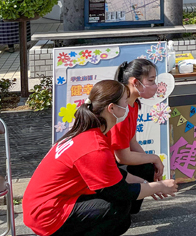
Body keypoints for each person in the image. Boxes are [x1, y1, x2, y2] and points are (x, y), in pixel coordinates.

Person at [23, 80, 178, 236]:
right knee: (118, 209)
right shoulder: (93, 145)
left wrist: (146, 184)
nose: (128, 105)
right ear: (111, 108)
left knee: (122, 215)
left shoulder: (90, 133)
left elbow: (113, 175)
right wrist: (160, 187)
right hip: (47, 214)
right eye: (125, 101)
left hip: (44, 206)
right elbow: (120, 192)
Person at [111, 58, 164, 213]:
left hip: (116, 159)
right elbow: (122, 157)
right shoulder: (121, 109)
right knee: (147, 163)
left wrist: (153, 162)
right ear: (135, 82)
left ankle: (129, 210)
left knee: (147, 166)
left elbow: (131, 141)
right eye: (151, 80)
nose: (155, 86)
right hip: (106, 163)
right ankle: (121, 211)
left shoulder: (134, 104)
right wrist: (154, 158)